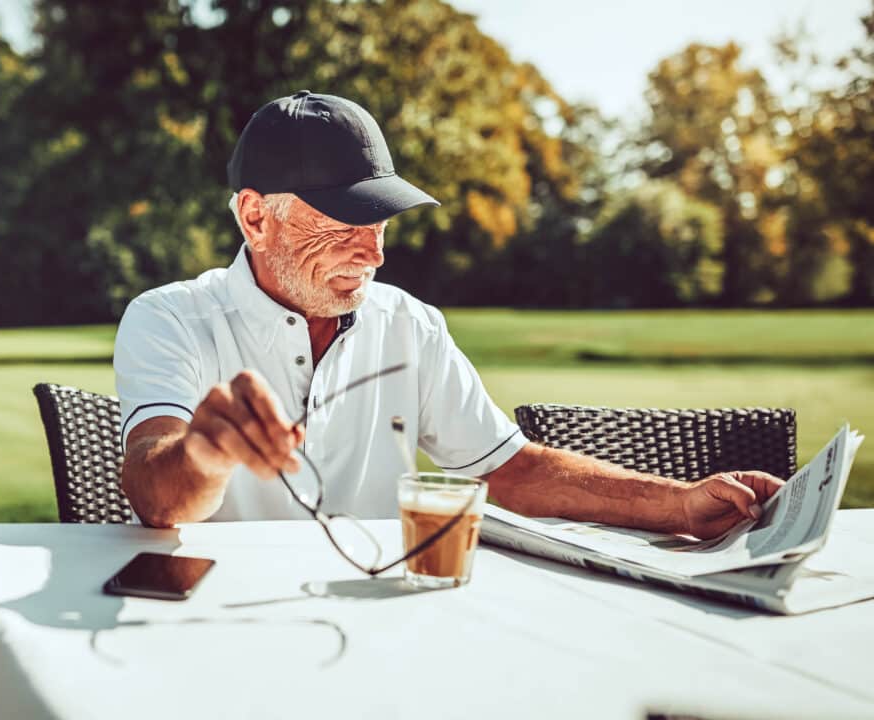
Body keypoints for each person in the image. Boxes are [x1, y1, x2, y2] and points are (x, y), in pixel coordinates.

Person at [114, 90, 782, 536]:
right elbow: (156, 498)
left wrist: (682, 504)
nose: (373, 251)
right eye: (345, 220)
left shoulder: (409, 324)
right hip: (220, 632)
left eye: (381, 221)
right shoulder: (171, 319)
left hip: (382, 625)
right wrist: (203, 451)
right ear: (256, 217)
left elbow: (512, 470)